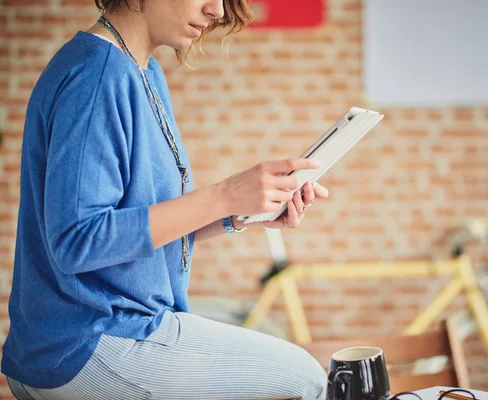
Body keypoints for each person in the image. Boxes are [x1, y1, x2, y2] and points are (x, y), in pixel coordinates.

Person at [1, 0, 330, 398]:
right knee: (306, 377)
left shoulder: (144, 72)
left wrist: (239, 212)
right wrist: (223, 193)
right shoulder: (97, 78)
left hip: (108, 328)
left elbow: (139, 228)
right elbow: (77, 241)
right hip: (88, 340)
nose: (217, 11)